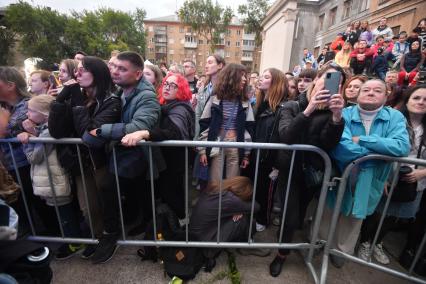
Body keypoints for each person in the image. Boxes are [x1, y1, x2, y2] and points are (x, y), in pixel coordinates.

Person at [322, 79, 410, 268]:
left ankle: (341, 251)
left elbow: (401, 147)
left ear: (386, 95)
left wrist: (361, 139)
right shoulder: (344, 113)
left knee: (355, 218)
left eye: (377, 90)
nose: (371, 93)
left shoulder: (394, 117)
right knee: (329, 213)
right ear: (358, 94)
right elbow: (342, 148)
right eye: (366, 89)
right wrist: (379, 152)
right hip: (343, 174)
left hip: (370, 179)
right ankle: (320, 245)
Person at [269, 62, 346, 277]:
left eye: (338, 82)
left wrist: (337, 117)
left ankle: (288, 239)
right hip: (290, 170)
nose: (331, 84)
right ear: (317, 79)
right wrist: (309, 108)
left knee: (300, 214)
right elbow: (286, 137)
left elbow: (327, 144)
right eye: (328, 77)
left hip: (312, 174)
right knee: (290, 217)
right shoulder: (292, 106)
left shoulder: (333, 112)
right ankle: (281, 255)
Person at [89, 51, 161, 264]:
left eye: (122, 69)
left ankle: (111, 234)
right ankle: (128, 224)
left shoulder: (147, 96)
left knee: (108, 188)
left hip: (136, 157)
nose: (115, 71)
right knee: (130, 197)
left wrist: (103, 130)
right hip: (121, 154)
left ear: (138, 74)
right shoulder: (120, 91)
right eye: (115, 67)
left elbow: (139, 126)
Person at [50, 56, 122, 259]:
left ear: (97, 74)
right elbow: (56, 131)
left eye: (83, 70)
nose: (77, 74)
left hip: (101, 162)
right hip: (80, 163)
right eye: (77, 70)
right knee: (87, 208)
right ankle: (97, 237)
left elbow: (88, 134)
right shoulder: (77, 97)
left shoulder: (111, 101)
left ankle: (109, 238)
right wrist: (60, 100)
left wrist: (76, 99)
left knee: (105, 204)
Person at [357, 85, 426, 265]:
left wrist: (422, 172)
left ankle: (377, 243)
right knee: (376, 213)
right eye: (417, 98)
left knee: (394, 216)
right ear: (407, 100)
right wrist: (385, 177)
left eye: (425, 100)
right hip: (386, 174)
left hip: (414, 181)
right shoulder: (393, 119)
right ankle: (364, 243)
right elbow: (381, 146)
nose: (421, 102)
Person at [17, 95, 82, 259]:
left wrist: (27, 141)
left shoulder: (47, 132)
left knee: (64, 214)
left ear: (44, 114)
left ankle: (74, 242)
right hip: (53, 179)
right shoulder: (46, 128)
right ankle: (72, 239)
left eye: (31, 110)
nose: (27, 114)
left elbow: (34, 157)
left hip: (54, 180)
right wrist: (33, 133)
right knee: (63, 212)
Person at [121, 73, 194, 220]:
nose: (168, 87)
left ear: (182, 90)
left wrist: (145, 133)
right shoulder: (165, 105)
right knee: (165, 193)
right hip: (165, 159)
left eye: (173, 85)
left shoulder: (180, 108)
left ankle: (181, 226)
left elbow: (174, 132)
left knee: (171, 193)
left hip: (175, 161)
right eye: (166, 83)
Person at [198, 63, 254, 182]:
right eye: (242, 75)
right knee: (215, 183)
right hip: (217, 145)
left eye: (245, 76)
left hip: (236, 145)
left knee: (232, 185)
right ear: (231, 77)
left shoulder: (245, 102)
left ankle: (228, 201)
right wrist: (202, 150)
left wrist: (246, 154)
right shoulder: (214, 99)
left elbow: (249, 129)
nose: (245, 79)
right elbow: (204, 124)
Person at [249, 68, 289, 232]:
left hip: (269, 161)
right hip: (255, 156)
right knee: (255, 189)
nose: (260, 79)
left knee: (265, 193)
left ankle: (263, 219)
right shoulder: (258, 105)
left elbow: (282, 137)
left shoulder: (282, 108)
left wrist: (277, 166)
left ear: (276, 83)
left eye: (266, 77)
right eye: (261, 76)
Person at [0, 67, 38, 235]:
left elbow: (4, 132)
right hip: (8, 164)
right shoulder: (5, 107)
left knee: (32, 202)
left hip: (25, 162)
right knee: (18, 204)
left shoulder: (28, 105)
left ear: (10, 85)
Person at [189, 176, 259, 260]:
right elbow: (256, 207)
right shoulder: (231, 199)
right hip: (205, 247)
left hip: (195, 237)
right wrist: (241, 209)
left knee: (240, 213)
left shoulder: (217, 188)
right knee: (243, 218)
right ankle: (246, 245)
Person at [194, 55, 225, 140]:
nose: (206, 65)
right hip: (204, 134)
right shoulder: (202, 88)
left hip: (219, 136)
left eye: (210, 62)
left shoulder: (226, 89)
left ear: (220, 65)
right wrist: (196, 137)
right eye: (206, 62)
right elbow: (198, 114)